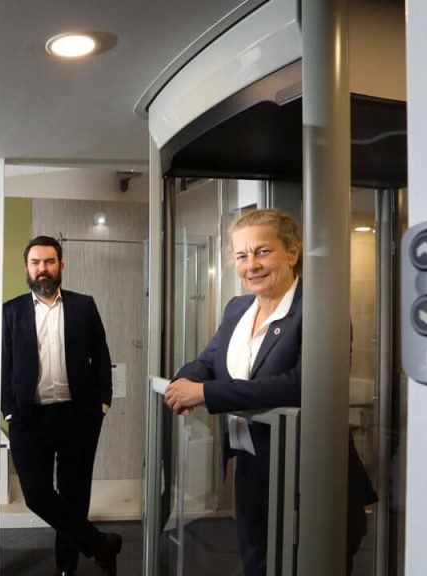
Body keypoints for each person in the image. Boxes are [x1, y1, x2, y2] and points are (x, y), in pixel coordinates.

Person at [164, 208, 376, 576]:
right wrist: (184, 382)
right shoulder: (238, 308)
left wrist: (207, 393)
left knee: (312, 565)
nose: (251, 265)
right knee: (258, 563)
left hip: (308, 468)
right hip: (252, 464)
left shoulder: (322, 308)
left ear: (292, 252)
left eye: (262, 252)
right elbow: (209, 359)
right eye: (242, 256)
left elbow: (302, 383)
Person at [2, 235, 122, 576]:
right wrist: (8, 409)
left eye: (50, 262)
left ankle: (66, 569)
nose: (43, 269)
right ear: (26, 268)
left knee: (74, 497)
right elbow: (4, 365)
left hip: (78, 417)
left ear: (61, 266)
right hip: (29, 418)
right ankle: (100, 543)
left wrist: (102, 404)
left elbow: (101, 357)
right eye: (36, 263)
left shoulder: (84, 305)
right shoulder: (11, 311)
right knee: (37, 496)